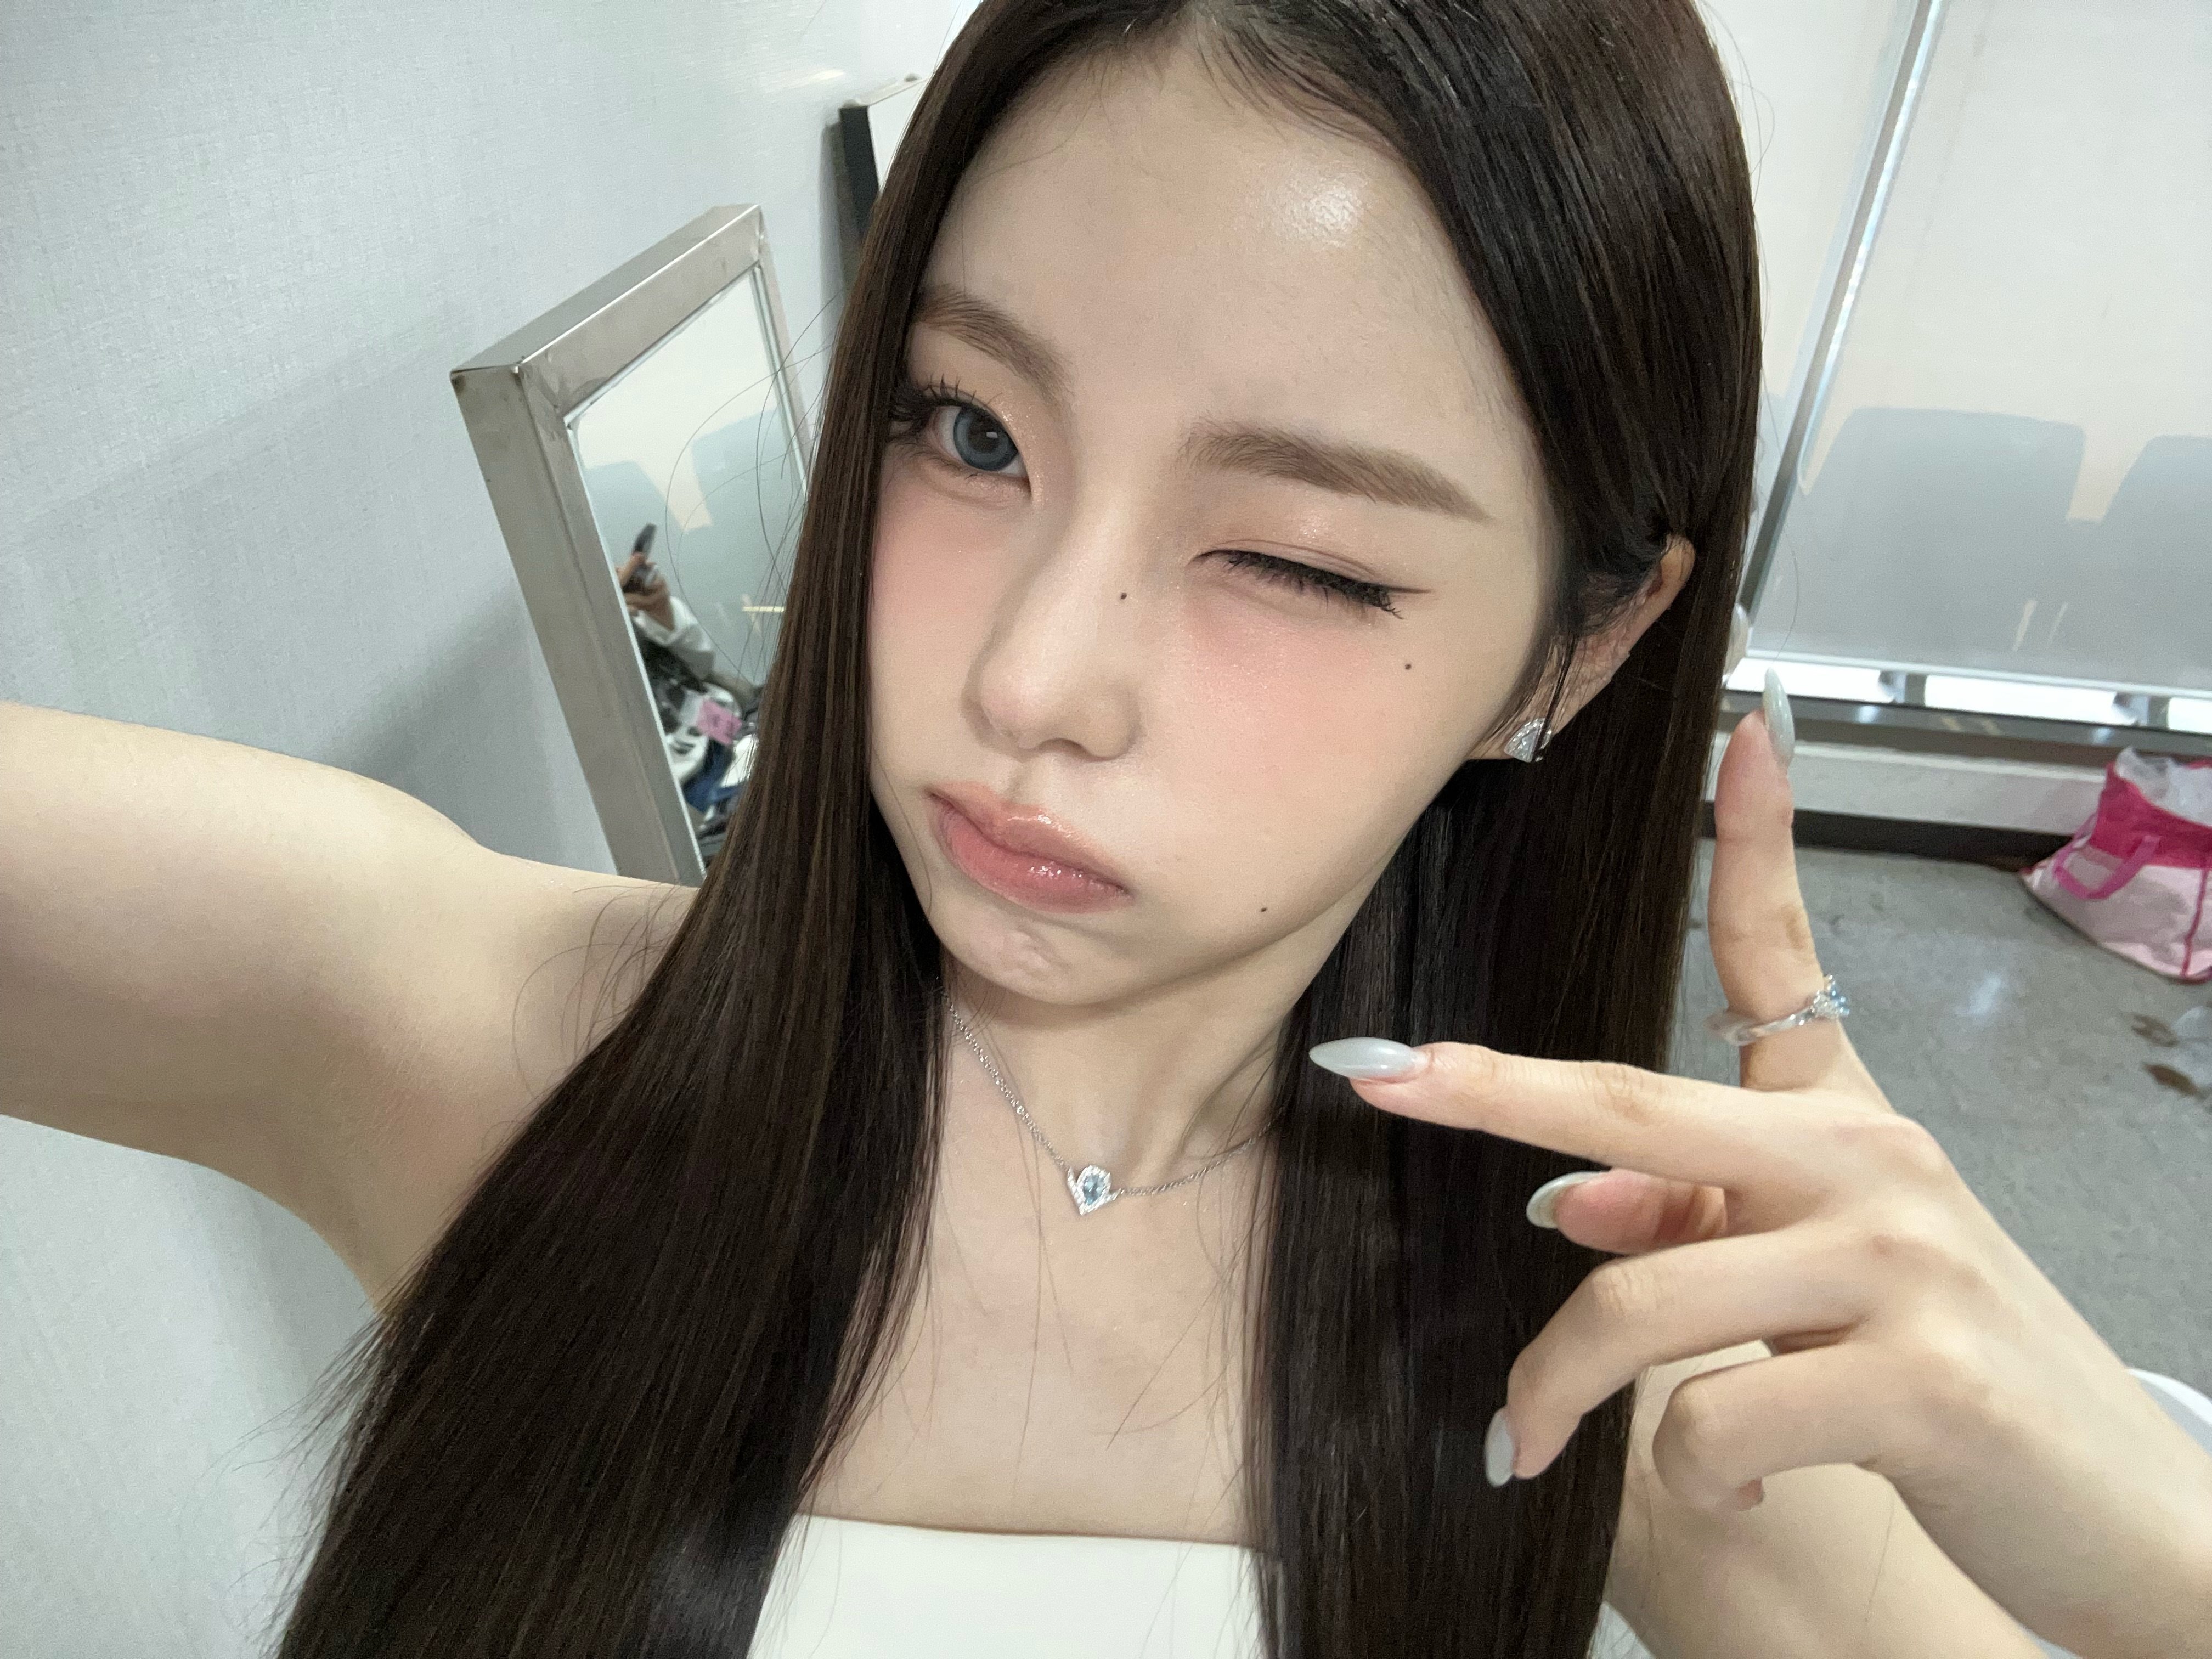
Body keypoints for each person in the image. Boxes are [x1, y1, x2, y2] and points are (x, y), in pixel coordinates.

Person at [2, 2, 2208, 1656]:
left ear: (1582, 642)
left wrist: (2152, 1548)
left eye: (1301, 560)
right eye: (970, 429)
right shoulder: (457, 1034)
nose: (1031, 676)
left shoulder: (1595, 1325)